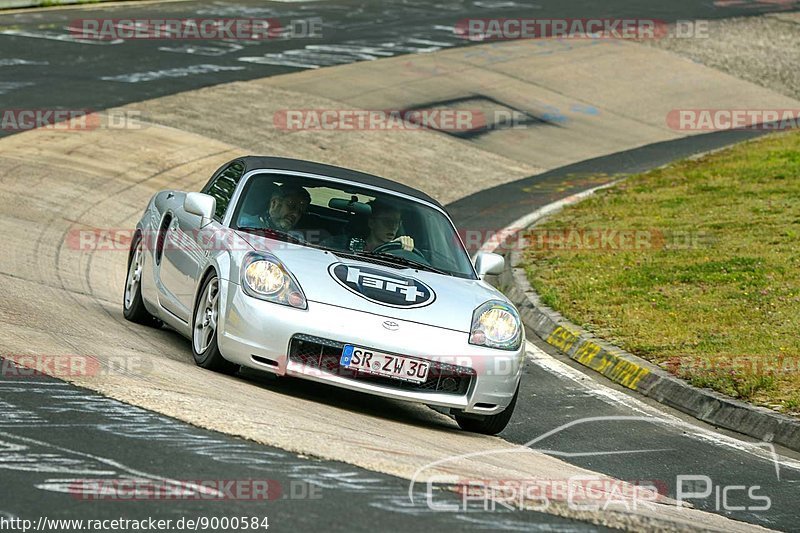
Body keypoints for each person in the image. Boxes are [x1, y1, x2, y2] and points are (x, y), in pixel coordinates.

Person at [325, 199, 414, 252]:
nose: (393, 227)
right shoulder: (341, 243)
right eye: (387, 221)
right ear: (372, 223)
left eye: (397, 222)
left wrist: (404, 250)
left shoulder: (399, 251)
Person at [238, 183, 310, 231]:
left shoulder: (299, 238)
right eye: (291, 206)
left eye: (300, 210)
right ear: (274, 203)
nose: (296, 214)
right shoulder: (244, 226)